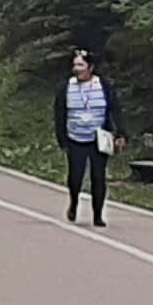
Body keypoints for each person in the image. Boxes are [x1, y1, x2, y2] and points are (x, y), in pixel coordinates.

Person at [55, 48, 118, 227]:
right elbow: (59, 113)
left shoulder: (103, 86)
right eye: (75, 65)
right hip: (75, 137)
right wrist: (61, 137)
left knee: (98, 177)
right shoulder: (66, 87)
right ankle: (74, 202)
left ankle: (98, 214)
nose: (77, 69)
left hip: (98, 138)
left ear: (90, 67)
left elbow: (114, 109)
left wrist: (121, 132)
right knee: (75, 177)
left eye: (81, 65)